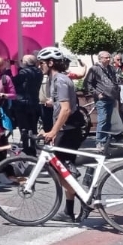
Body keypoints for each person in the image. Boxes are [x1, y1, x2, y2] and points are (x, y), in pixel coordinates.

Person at [38, 46, 87, 223]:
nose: (39, 66)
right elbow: (63, 105)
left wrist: (53, 131)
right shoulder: (56, 79)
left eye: (42, 63)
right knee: (64, 168)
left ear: (51, 63)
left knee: (58, 168)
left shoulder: (60, 80)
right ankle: (68, 211)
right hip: (69, 127)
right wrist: (53, 103)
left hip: (70, 129)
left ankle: (84, 200)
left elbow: (66, 110)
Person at [84, 51, 120, 151]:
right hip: (102, 99)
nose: (109, 59)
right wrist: (96, 93)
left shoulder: (111, 69)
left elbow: (114, 81)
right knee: (102, 120)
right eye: (106, 58)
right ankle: (99, 142)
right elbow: (87, 83)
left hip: (111, 98)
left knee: (108, 121)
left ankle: (106, 141)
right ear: (100, 59)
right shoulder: (94, 69)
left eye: (109, 57)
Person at [13, 55, 44, 156]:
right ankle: (33, 147)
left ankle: (26, 148)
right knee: (33, 126)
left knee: (23, 127)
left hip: (22, 103)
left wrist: (14, 68)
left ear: (25, 62)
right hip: (34, 102)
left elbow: (15, 81)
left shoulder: (23, 72)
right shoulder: (39, 72)